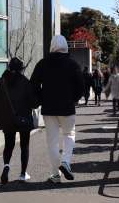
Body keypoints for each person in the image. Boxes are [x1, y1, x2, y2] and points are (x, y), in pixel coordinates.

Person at [31, 35, 84, 183]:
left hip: (49, 109)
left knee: (52, 141)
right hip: (67, 107)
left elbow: (33, 85)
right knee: (69, 134)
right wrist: (73, 99)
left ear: (52, 46)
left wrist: (41, 99)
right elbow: (81, 87)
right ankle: (66, 162)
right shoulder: (72, 64)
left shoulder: (42, 64)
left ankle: (55, 174)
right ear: (66, 46)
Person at [0, 57, 37, 184]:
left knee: (9, 145)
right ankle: (23, 174)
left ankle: (6, 166)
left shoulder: (1, 82)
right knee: (24, 146)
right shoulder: (25, 82)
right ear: (21, 69)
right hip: (23, 119)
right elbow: (34, 103)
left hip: (8, 119)